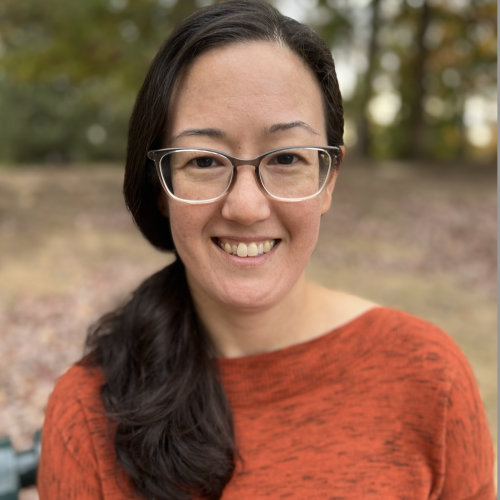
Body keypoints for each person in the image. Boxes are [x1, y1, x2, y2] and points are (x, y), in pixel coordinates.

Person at [37, 1, 494, 499]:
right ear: (160, 187)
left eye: (285, 157)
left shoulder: (429, 375)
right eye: (205, 161)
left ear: (328, 180)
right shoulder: (87, 415)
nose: (247, 206)